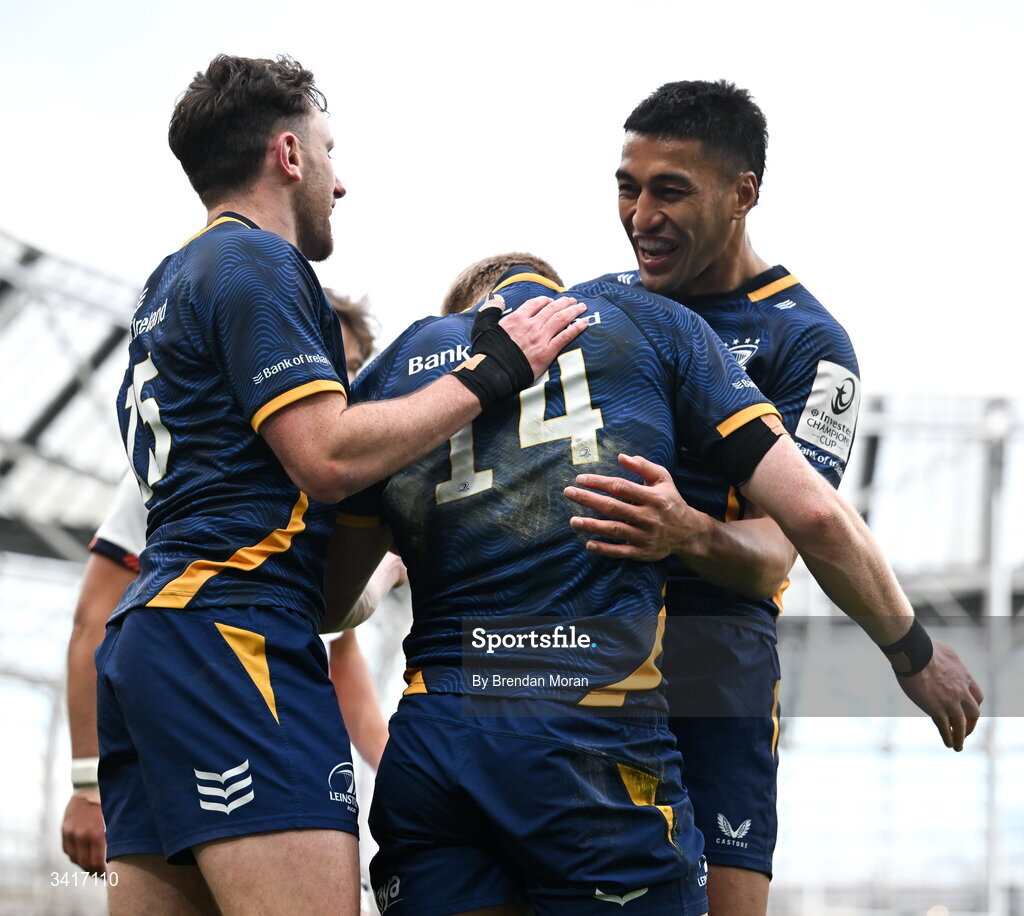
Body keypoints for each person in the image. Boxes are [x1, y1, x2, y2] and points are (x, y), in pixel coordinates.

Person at [94, 54, 586, 915]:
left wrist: (388, 557)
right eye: (329, 151)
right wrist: (492, 372)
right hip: (234, 639)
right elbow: (326, 455)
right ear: (289, 156)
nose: (340, 182)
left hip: (156, 639)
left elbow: (305, 563)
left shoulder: (165, 285)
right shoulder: (257, 264)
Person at [564, 80, 983, 914]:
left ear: (742, 194)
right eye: (627, 185)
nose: (641, 213)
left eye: (670, 190)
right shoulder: (599, 307)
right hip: (581, 654)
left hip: (712, 665)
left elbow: (774, 554)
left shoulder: (809, 344)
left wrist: (682, 531)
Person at [61, 288, 400, 873]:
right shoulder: (189, 463)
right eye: (315, 358)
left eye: (342, 369)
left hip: (268, 718)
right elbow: (94, 615)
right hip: (182, 713)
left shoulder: (326, 487)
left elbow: (340, 658)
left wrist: (398, 776)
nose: (326, 379)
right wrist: (87, 782)